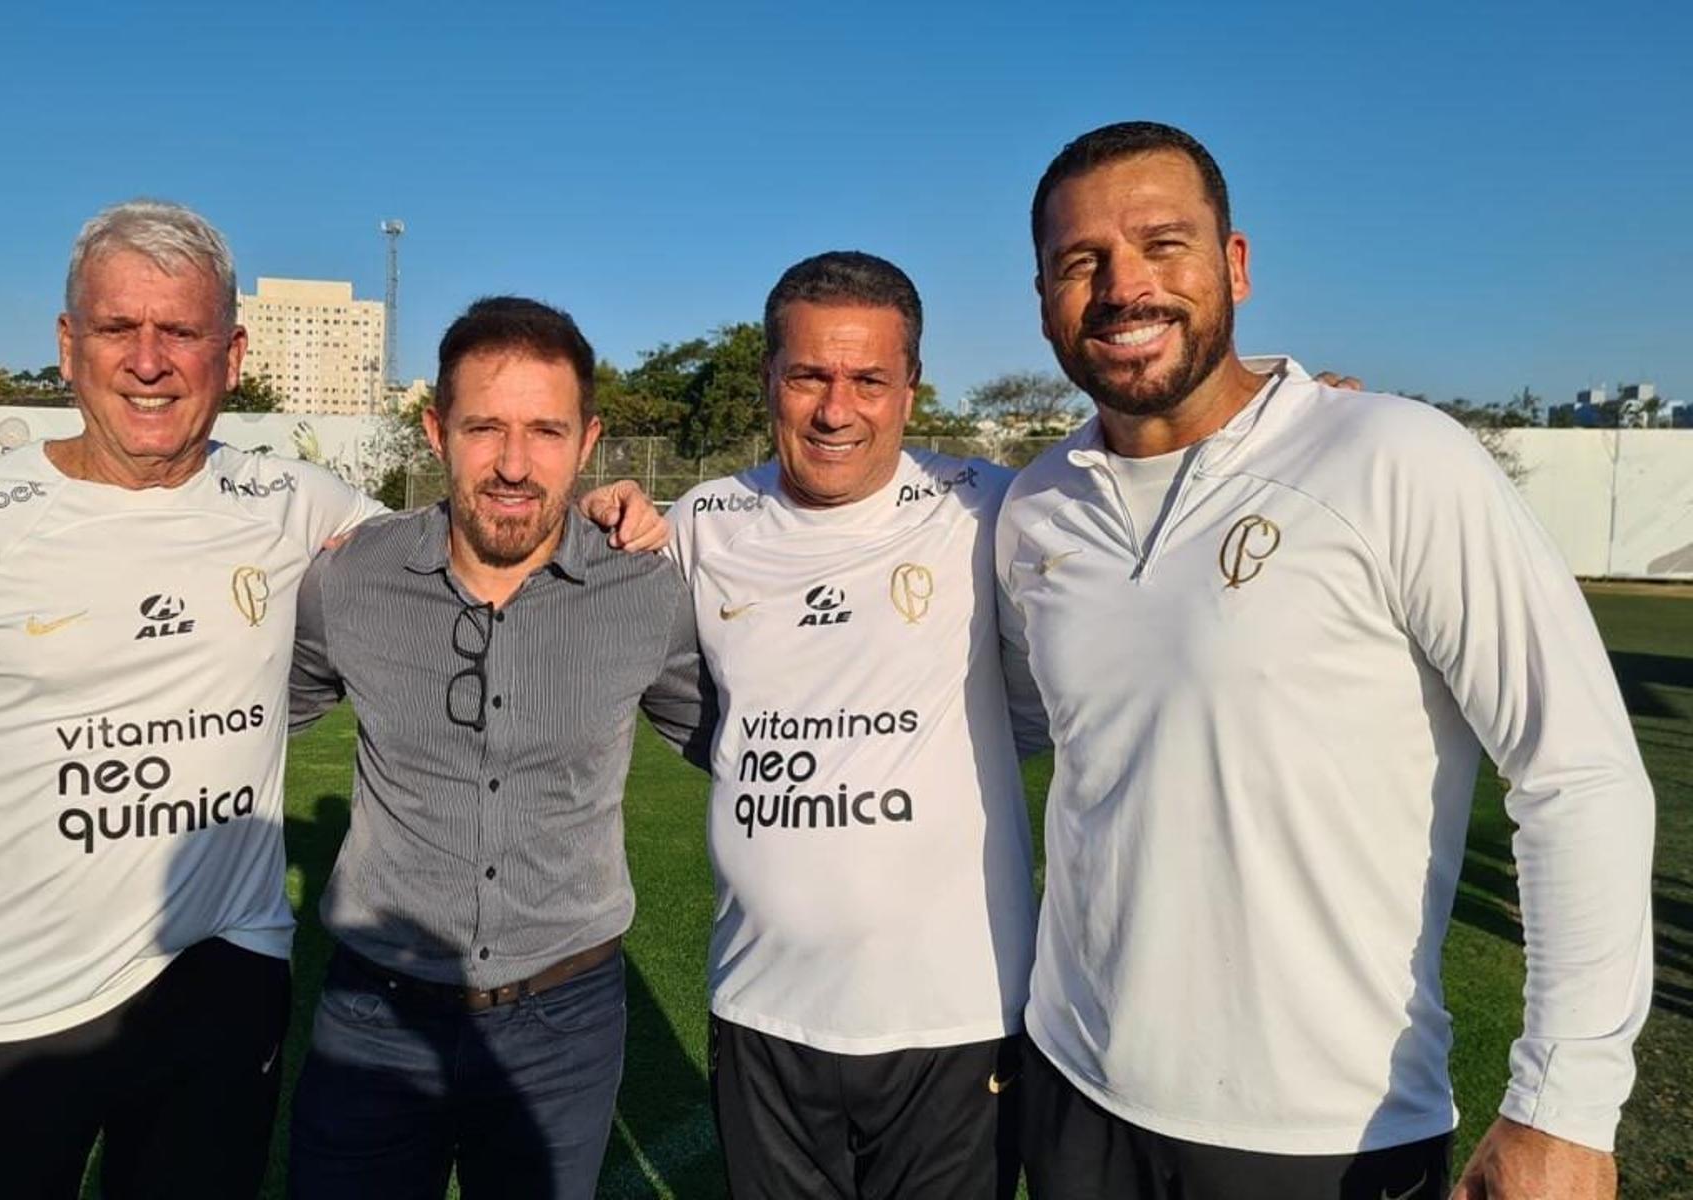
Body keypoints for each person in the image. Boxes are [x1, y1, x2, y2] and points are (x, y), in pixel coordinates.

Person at [0, 202, 662, 1200]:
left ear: (229, 351)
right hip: (9, 997)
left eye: (179, 331)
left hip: (222, 980)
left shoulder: (297, 504)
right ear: (66, 343)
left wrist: (606, 509)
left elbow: (472, 529)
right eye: (116, 328)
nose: (148, 360)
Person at [996, 121, 1654, 1200]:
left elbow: (1574, 771)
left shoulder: (1391, 456)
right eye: (1082, 262)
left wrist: (1567, 1106)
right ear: (1044, 299)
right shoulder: (1035, 509)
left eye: (1164, 245)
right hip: (1074, 1091)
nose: (1123, 287)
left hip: (1325, 1135)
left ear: (1236, 266)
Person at [285, 296, 715, 1199]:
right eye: (485, 428)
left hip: (564, 1022)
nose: (515, 465)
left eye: (545, 432)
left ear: (588, 440)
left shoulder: (645, 591)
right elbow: (240, 722)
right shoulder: (352, 576)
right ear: (436, 432)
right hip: (375, 1013)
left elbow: (741, 742)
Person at [667, 251, 1049, 1199]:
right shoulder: (702, 524)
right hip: (760, 1010)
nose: (836, 410)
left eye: (869, 380)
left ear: (911, 390)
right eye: (808, 376)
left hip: (954, 1021)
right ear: (769, 381)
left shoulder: (993, 507)